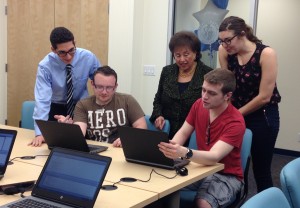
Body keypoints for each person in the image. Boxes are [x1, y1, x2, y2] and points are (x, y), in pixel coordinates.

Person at [158, 69, 246, 208]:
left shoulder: (235, 121)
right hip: (201, 167)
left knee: (203, 203)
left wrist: (183, 152)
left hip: (226, 175)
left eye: (211, 93)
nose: (205, 96)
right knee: (159, 185)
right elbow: (183, 132)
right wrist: (170, 150)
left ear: (227, 96)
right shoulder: (199, 105)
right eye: (203, 90)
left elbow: (214, 157)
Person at [218, 16, 281, 193]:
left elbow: (264, 97)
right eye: (221, 41)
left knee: (261, 170)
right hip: (237, 112)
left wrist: (234, 114)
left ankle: (267, 203)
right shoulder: (224, 52)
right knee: (238, 168)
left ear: (242, 34)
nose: (225, 45)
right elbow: (226, 87)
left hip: (263, 116)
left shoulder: (266, 54)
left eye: (228, 40)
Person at [30, 27, 101, 147]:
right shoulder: (45, 66)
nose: (68, 57)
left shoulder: (88, 57)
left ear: (75, 44)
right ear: (53, 50)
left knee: (83, 144)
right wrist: (39, 133)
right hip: (56, 108)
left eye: (71, 50)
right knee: (54, 145)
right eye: (62, 53)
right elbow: (42, 100)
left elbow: (101, 81)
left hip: (81, 107)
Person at [55, 65, 147, 147]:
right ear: (92, 84)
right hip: (96, 151)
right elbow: (80, 133)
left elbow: (141, 127)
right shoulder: (83, 104)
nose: (104, 92)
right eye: (99, 87)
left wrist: (128, 139)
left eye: (109, 87)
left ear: (115, 87)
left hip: (120, 149)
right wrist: (68, 129)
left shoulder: (127, 100)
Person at [150, 31, 213, 146]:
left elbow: (211, 106)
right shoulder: (167, 71)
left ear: (195, 53)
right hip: (167, 132)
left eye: (186, 54)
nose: (182, 59)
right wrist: (158, 114)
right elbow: (158, 98)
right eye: (177, 55)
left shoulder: (207, 74)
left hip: (195, 134)